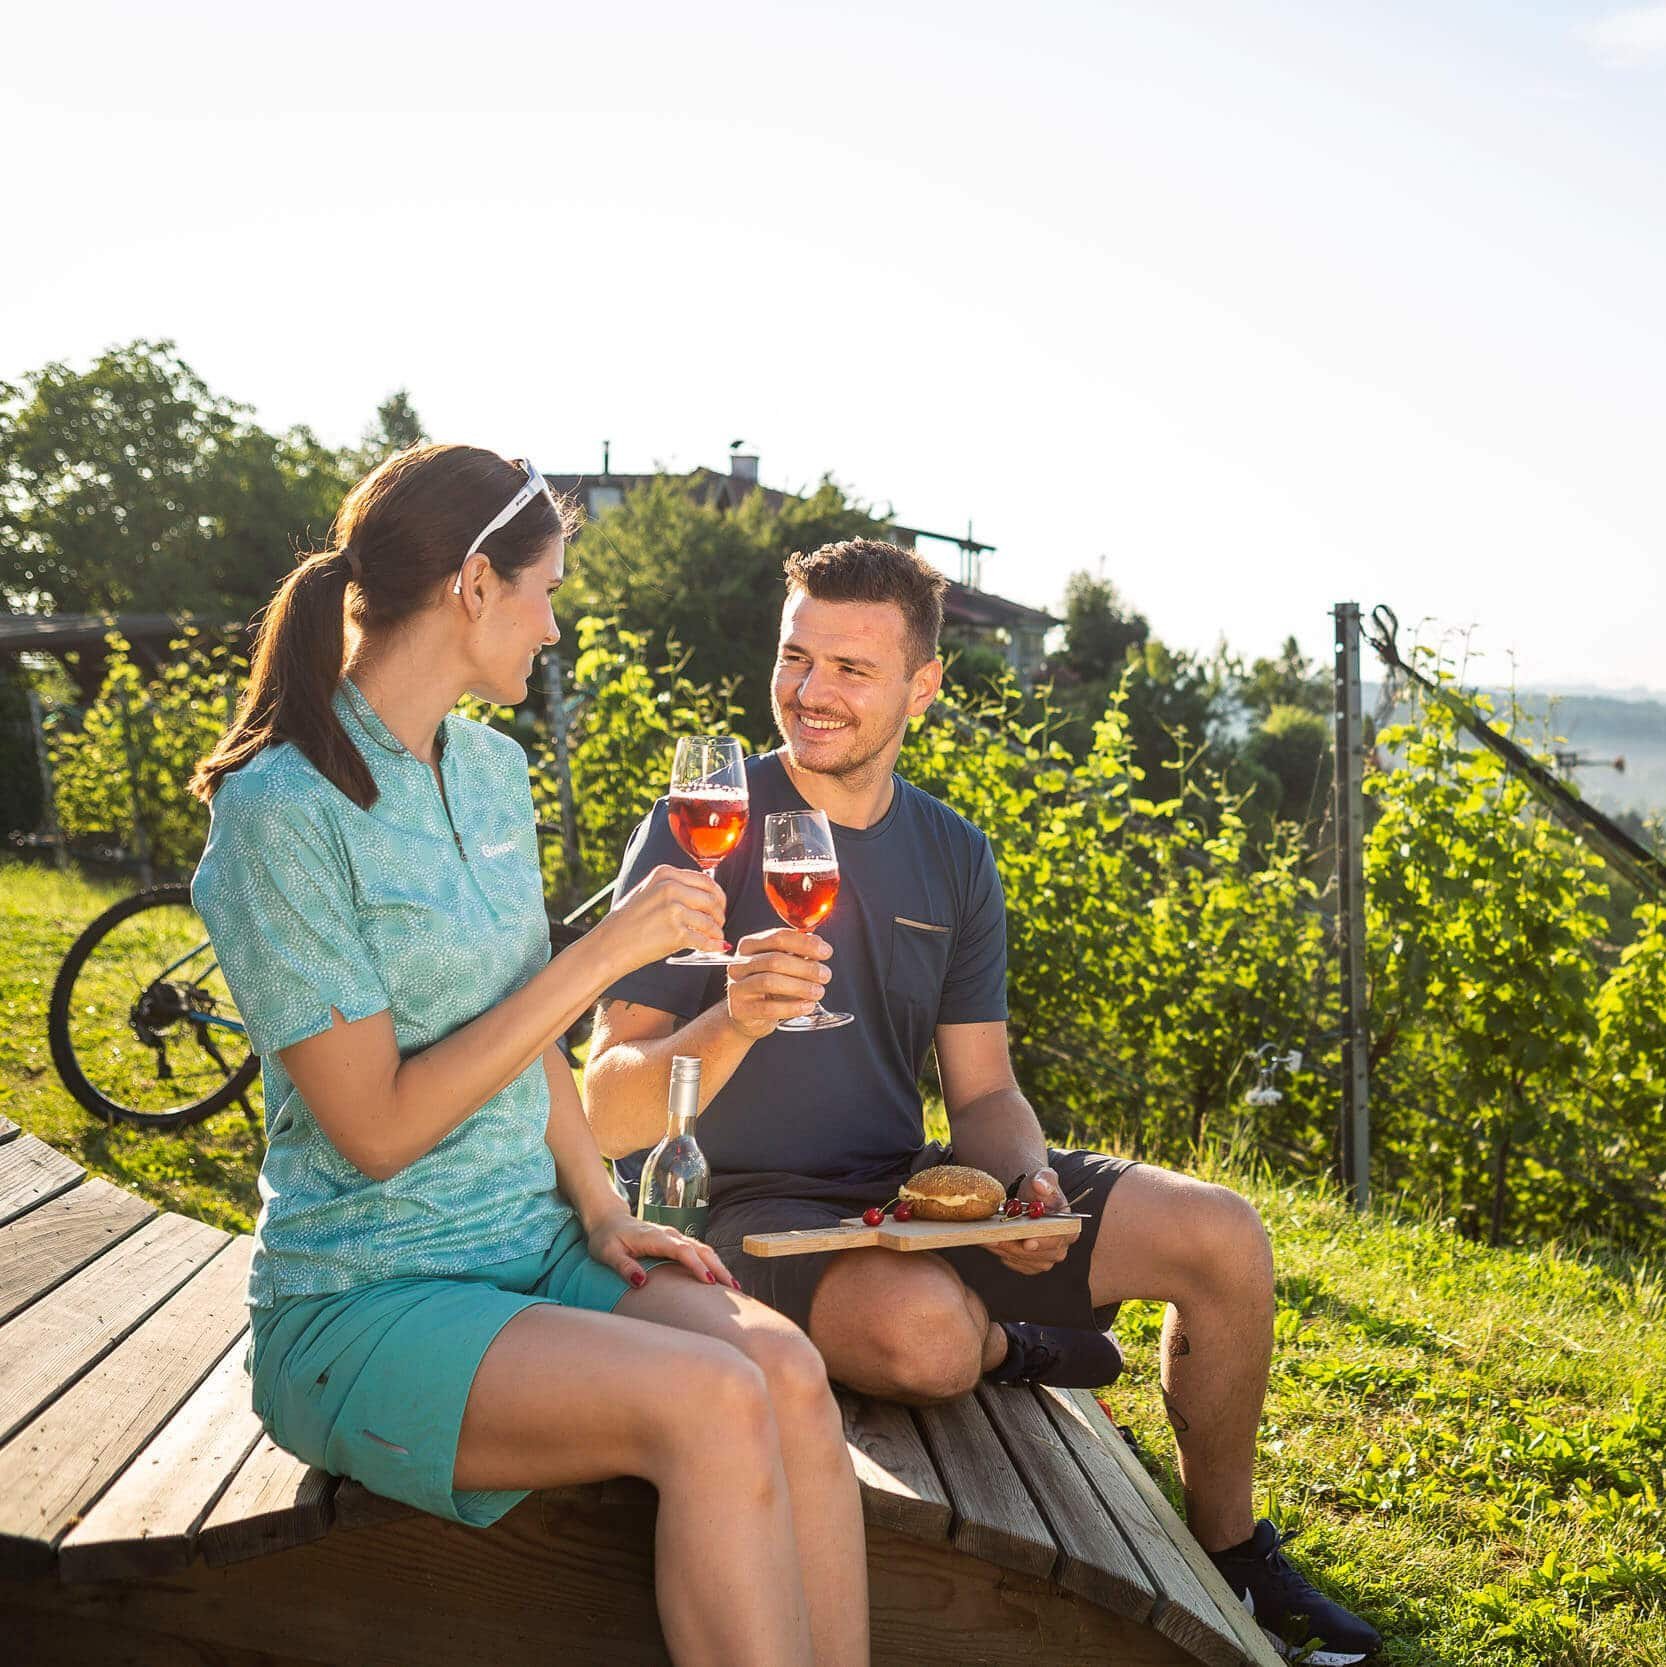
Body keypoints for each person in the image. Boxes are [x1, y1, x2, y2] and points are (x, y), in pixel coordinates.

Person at [584, 538, 1382, 1666]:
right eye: (795, 656)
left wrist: (1019, 1184)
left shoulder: (952, 852)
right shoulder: (698, 823)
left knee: (1223, 1234)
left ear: (923, 685)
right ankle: (1017, 1344)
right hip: (746, 1218)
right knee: (918, 1335)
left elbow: (985, 1087)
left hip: (908, 1199)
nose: (811, 691)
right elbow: (606, 1101)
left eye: (852, 669)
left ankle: (1234, 1554)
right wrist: (734, 1021)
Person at [187, 446, 867, 1667]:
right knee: (711, 1402)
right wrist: (597, 958)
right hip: (366, 1296)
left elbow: (524, 1040)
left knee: (786, 1368)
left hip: (537, 1249)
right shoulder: (279, 814)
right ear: (473, 585)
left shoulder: (492, 772)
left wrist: (602, 1209)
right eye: (546, 588)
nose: (554, 626)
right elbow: (379, 1127)